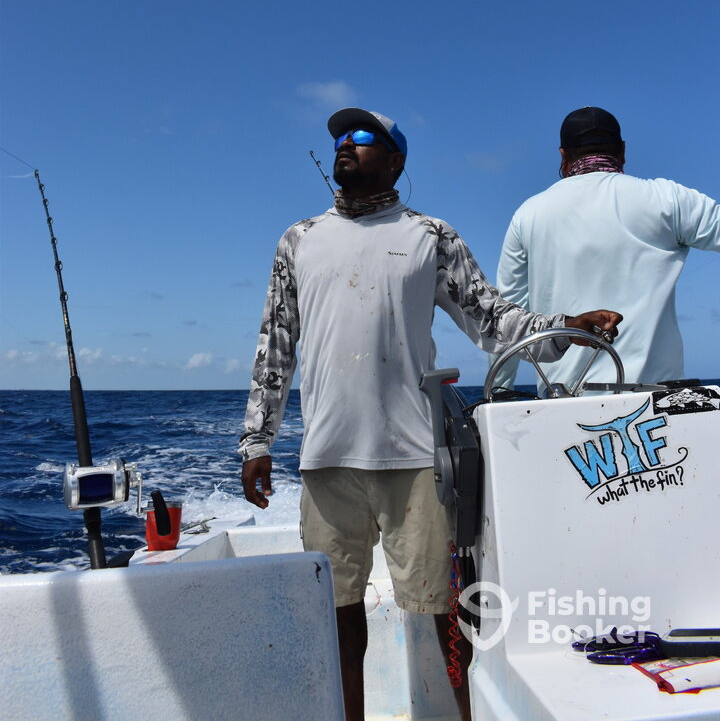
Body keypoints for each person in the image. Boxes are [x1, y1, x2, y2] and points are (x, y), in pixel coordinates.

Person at [240, 107, 621, 721]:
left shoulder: (431, 237)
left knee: (447, 619)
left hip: (415, 459)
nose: (345, 145)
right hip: (327, 462)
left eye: (362, 137)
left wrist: (565, 328)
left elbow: (493, 320)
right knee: (337, 620)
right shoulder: (298, 240)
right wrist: (257, 441)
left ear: (395, 161)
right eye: (339, 138)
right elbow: (275, 345)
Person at [497, 105, 720, 391]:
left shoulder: (528, 215)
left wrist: (500, 392)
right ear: (622, 151)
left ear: (563, 156)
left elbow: (506, 316)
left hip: (563, 402)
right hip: (658, 400)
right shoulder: (667, 198)